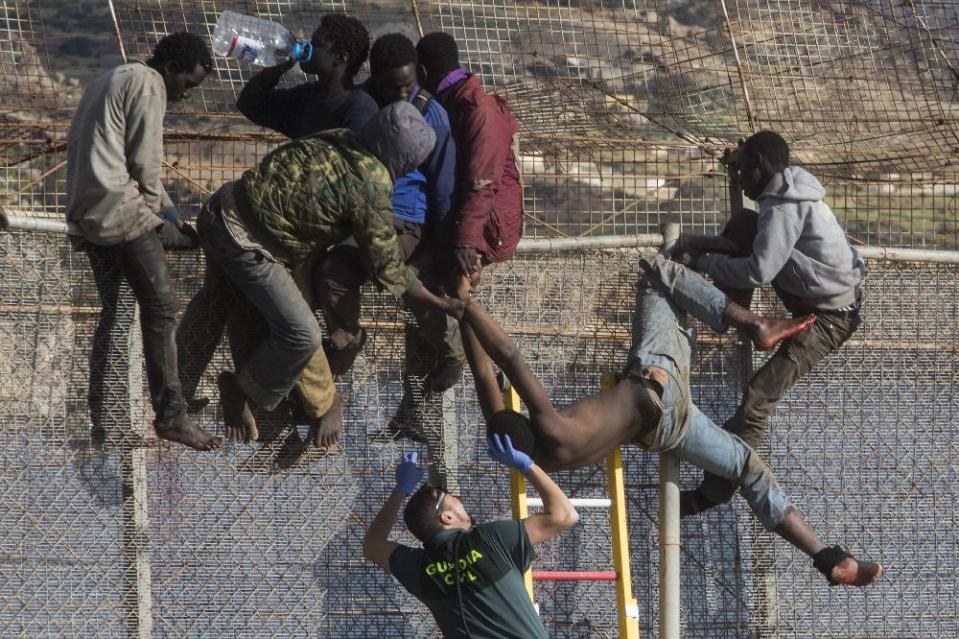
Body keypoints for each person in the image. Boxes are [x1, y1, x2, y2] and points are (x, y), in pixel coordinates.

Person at [453, 255, 883, 587]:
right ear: (525, 420)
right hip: (658, 380)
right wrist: (466, 304)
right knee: (659, 273)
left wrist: (461, 306)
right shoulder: (548, 425)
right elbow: (506, 358)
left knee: (750, 468)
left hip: (667, 430)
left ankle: (828, 557)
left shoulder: (538, 457)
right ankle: (755, 325)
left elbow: (482, 377)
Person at [177, 103, 460, 448]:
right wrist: (436, 301)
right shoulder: (373, 182)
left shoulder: (341, 138)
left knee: (217, 309)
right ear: (406, 160)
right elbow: (387, 267)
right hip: (248, 244)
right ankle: (245, 391)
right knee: (301, 332)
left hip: (219, 211)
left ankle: (176, 399)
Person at [671, 130, 866, 517]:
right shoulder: (791, 192)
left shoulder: (783, 208)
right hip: (812, 294)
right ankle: (726, 315)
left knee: (758, 399)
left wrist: (704, 262)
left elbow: (760, 269)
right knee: (745, 222)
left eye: (742, 169)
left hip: (829, 318)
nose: (740, 178)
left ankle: (716, 490)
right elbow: (761, 250)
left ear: (759, 164)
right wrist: (703, 245)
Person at [66, 32, 219, 451]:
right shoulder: (150, 84)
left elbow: (139, 172)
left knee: (115, 314)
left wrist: (171, 218)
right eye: (187, 84)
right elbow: (145, 168)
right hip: (120, 209)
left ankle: (104, 420)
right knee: (162, 307)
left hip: (89, 208)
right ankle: (171, 415)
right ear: (169, 69)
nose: (186, 96)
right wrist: (167, 221)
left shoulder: (114, 76)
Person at [315, 33, 460, 391]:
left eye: (408, 86)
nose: (401, 95)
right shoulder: (361, 107)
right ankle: (345, 341)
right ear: (375, 77)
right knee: (332, 272)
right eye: (393, 86)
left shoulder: (432, 116)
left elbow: (443, 190)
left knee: (399, 274)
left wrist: (439, 248)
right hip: (362, 212)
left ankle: (451, 350)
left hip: (405, 219)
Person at [363, 440, 578, 638]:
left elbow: (372, 545)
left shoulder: (417, 568)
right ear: (446, 517)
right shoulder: (490, 539)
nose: (459, 499)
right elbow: (565, 515)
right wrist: (526, 464)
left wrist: (400, 490)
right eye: (451, 497)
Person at [415, 32, 523, 289]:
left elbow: (482, 180)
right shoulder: (457, 103)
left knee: (452, 298)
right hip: (472, 220)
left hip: (485, 226)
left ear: (422, 71)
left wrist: (466, 240)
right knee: (447, 299)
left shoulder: (477, 111)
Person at [236, 13, 378, 136]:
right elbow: (250, 105)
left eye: (316, 44)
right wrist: (275, 70)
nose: (305, 46)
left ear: (340, 58)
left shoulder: (358, 109)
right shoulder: (307, 97)